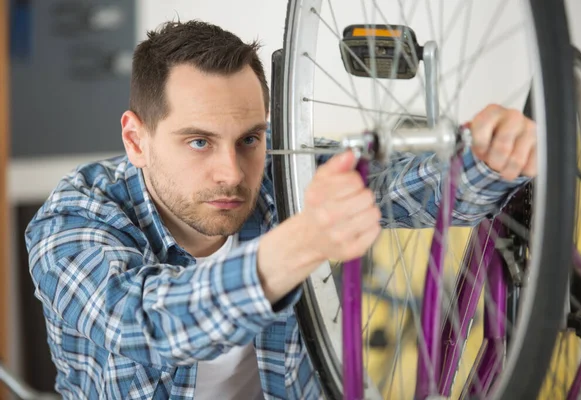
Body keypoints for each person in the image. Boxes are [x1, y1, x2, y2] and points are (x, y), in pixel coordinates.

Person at [25, 20, 536, 400]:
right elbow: (141, 325)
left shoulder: (282, 174)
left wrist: (496, 161)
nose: (231, 172)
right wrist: (301, 243)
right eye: (199, 142)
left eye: (249, 138)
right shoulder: (73, 219)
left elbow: (411, 188)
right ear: (136, 140)